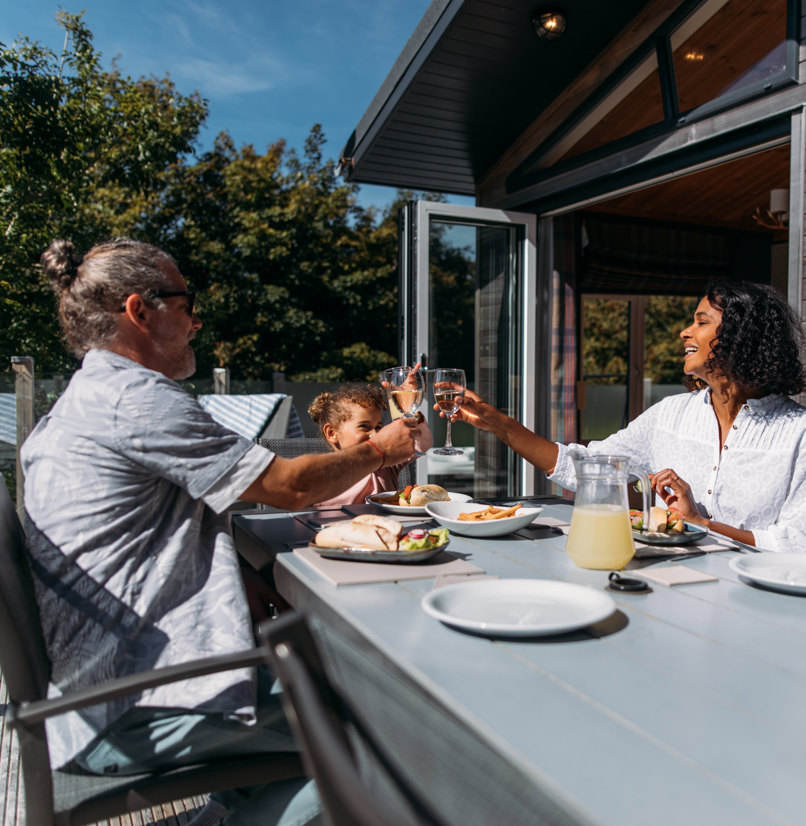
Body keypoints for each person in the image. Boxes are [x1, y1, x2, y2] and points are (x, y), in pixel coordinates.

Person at [21, 238, 425, 826]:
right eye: (186, 303)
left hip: (102, 689)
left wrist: (238, 573)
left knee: (331, 691)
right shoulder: (135, 398)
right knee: (380, 725)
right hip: (136, 708)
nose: (197, 319)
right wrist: (380, 447)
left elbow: (137, 532)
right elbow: (287, 485)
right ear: (140, 311)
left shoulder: (90, 395)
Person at [446, 281, 806, 552]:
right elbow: (589, 465)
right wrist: (498, 423)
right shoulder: (671, 415)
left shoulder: (798, 433)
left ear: (741, 336)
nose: (685, 332)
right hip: (669, 582)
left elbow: (795, 543)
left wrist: (701, 524)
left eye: (701, 322)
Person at [307, 382, 433, 507]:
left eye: (378, 427)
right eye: (364, 427)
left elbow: (421, 442)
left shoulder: (386, 463)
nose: (375, 434)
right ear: (332, 433)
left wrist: (409, 408)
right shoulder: (322, 477)